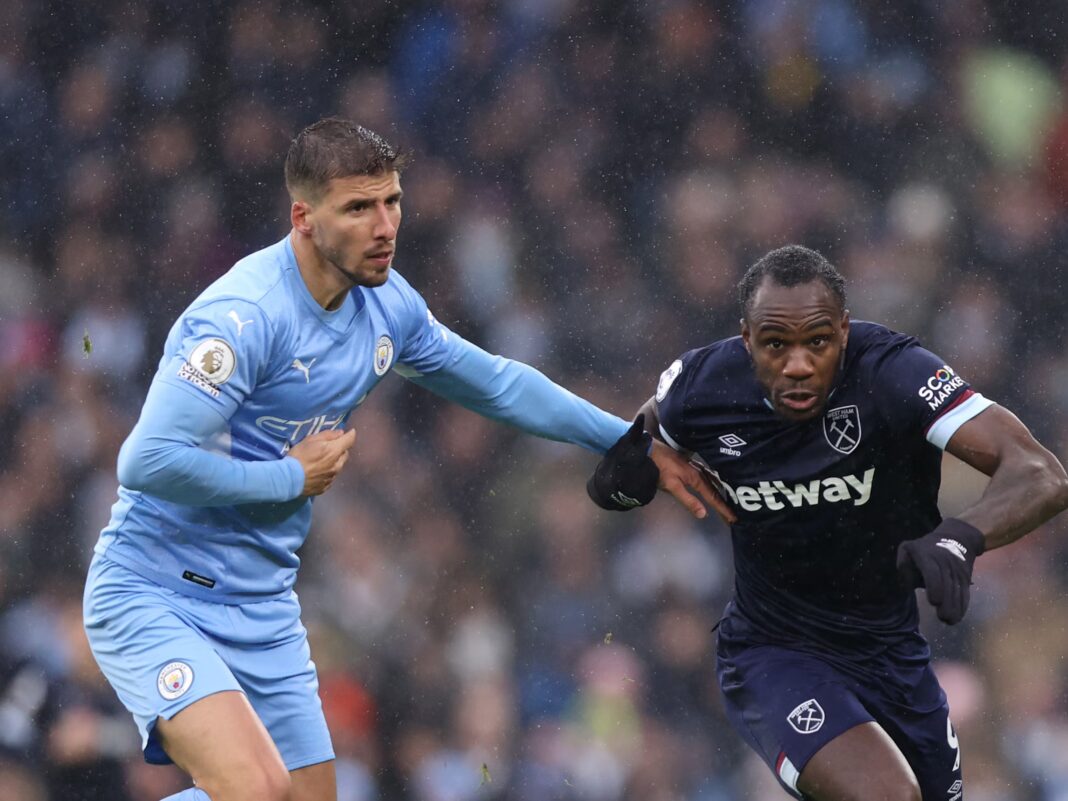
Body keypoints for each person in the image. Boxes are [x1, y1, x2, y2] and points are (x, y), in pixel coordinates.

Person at [82, 117, 725, 801]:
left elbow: (499, 383)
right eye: (358, 207)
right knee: (254, 791)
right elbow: (147, 460)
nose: (384, 224)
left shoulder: (388, 306)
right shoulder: (244, 318)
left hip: (260, 603)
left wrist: (631, 444)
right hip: (155, 590)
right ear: (304, 218)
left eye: (391, 201)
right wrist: (290, 476)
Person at [587, 245, 1068, 801]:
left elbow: (1041, 474)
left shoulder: (893, 371)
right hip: (774, 653)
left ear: (843, 332)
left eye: (817, 341)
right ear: (747, 340)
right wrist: (624, 484)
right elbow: (618, 477)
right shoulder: (699, 387)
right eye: (775, 344)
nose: (797, 364)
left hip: (893, 656)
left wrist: (961, 538)